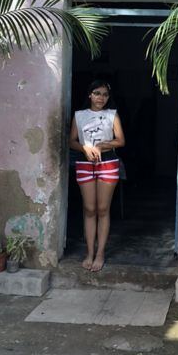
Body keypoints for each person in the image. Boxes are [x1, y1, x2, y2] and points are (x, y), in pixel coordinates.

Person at [69, 80, 125, 271]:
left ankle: (100, 253)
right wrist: (84, 147)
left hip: (108, 163)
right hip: (85, 164)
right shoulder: (79, 115)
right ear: (89, 95)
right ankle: (89, 253)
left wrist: (102, 145)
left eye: (105, 94)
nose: (101, 97)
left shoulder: (112, 115)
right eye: (97, 93)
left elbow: (121, 141)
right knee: (89, 209)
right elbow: (71, 141)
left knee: (102, 209)